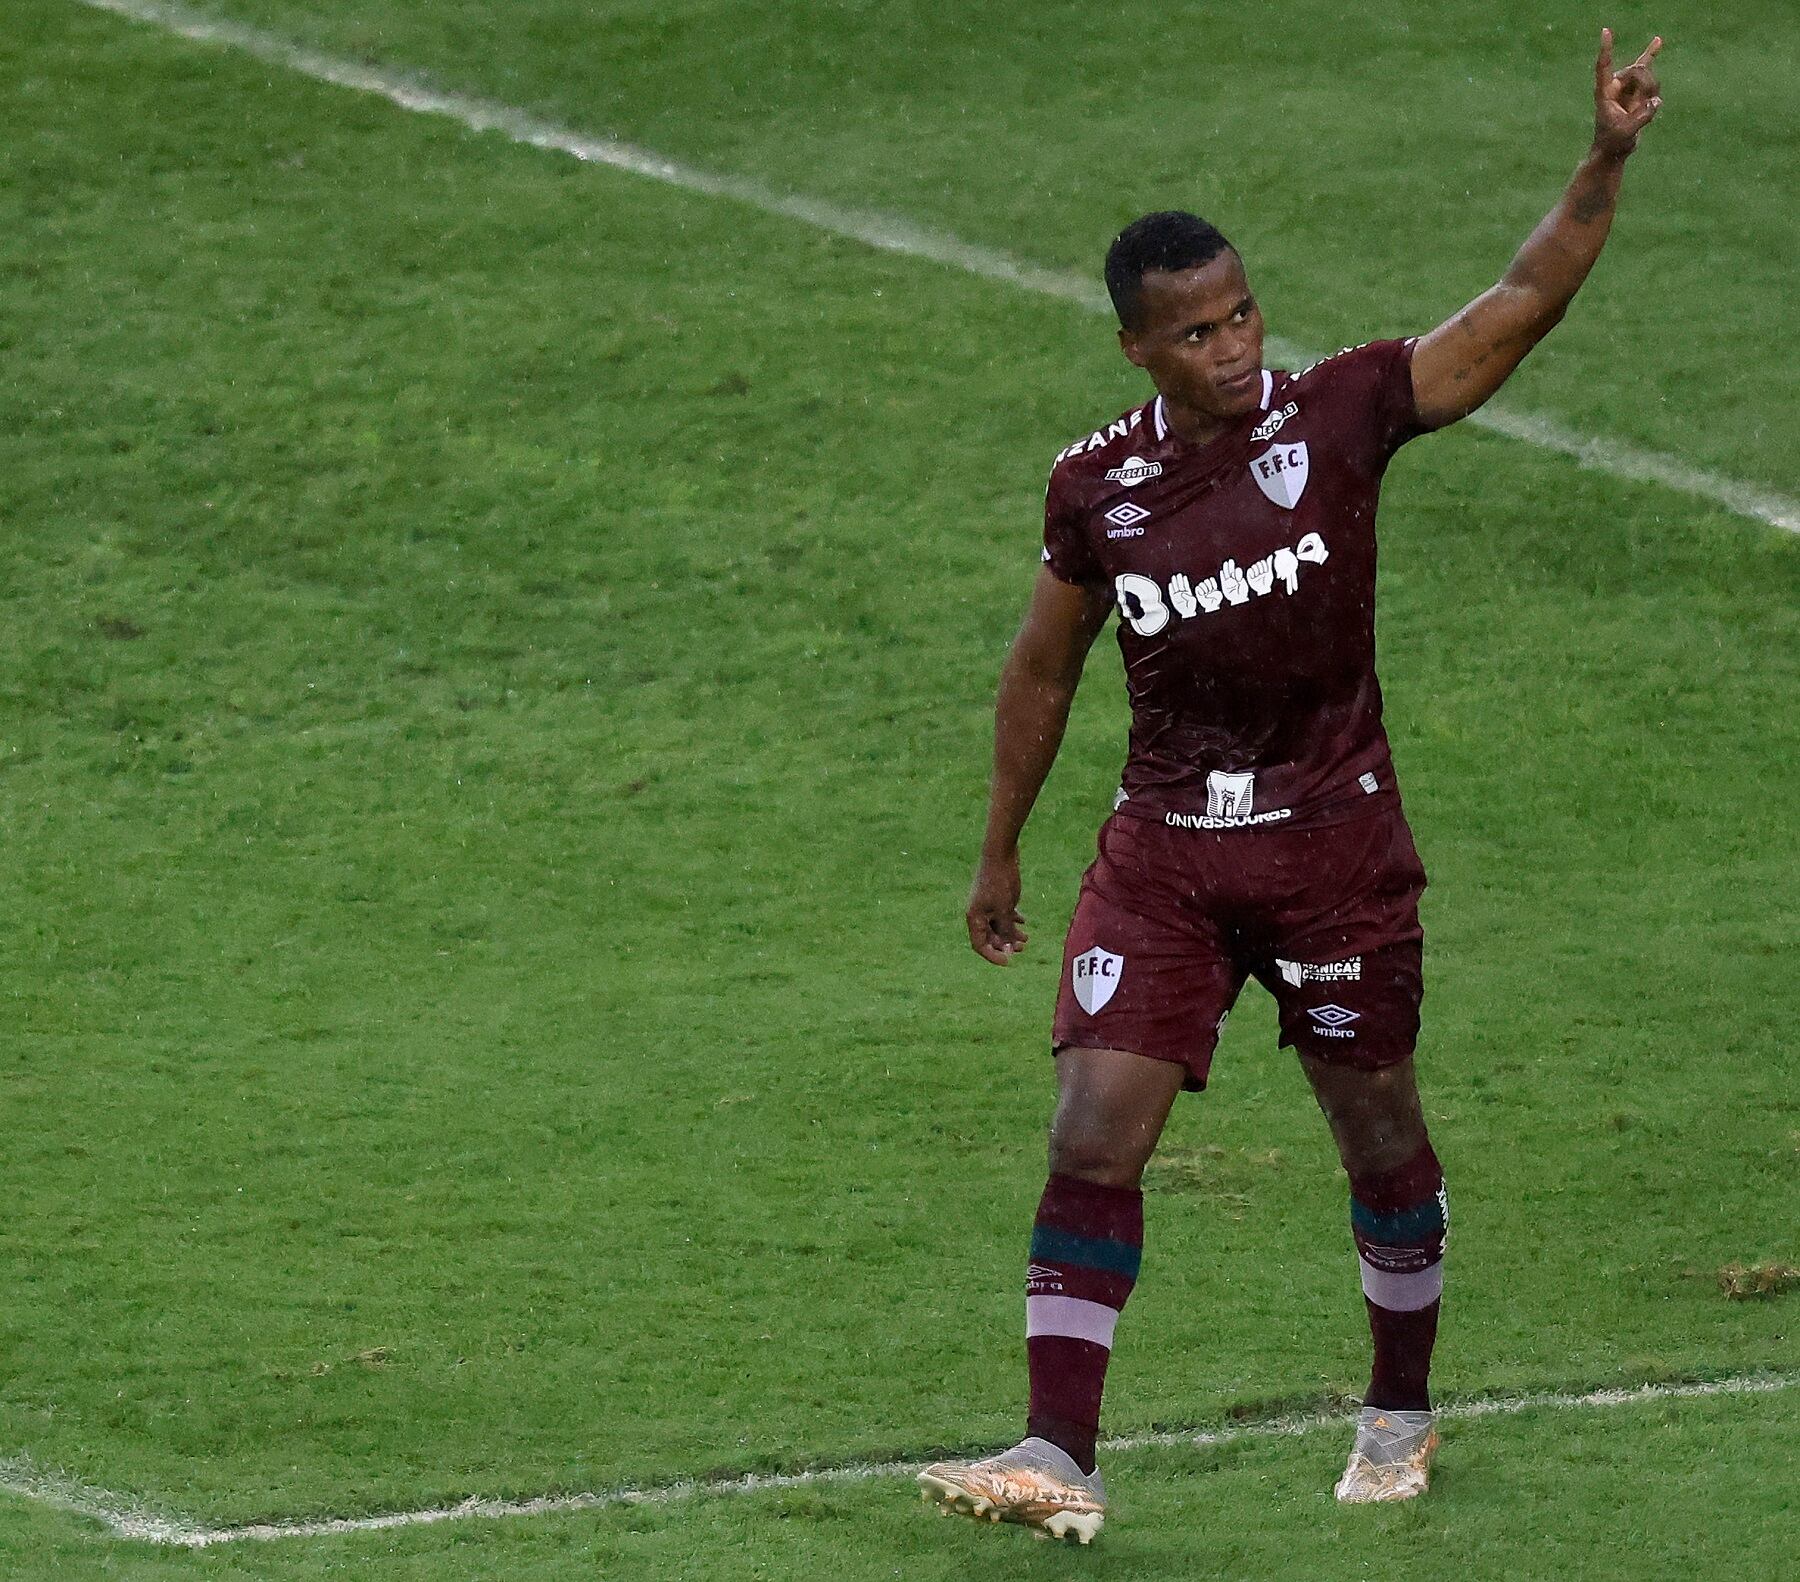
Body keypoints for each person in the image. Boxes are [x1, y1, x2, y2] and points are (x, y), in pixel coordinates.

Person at [918, 29, 1663, 1545]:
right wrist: (1000, 849)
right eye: (1198, 331)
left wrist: (1601, 162)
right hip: (1167, 857)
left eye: (1244, 312)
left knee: (1379, 1136)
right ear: (1137, 346)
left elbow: (1514, 309)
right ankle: (1061, 1448)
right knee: (1089, 1132)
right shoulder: (1098, 492)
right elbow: (1044, 671)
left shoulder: (1339, 415)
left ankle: (1399, 1405)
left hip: (1337, 851)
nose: (1237, 344)